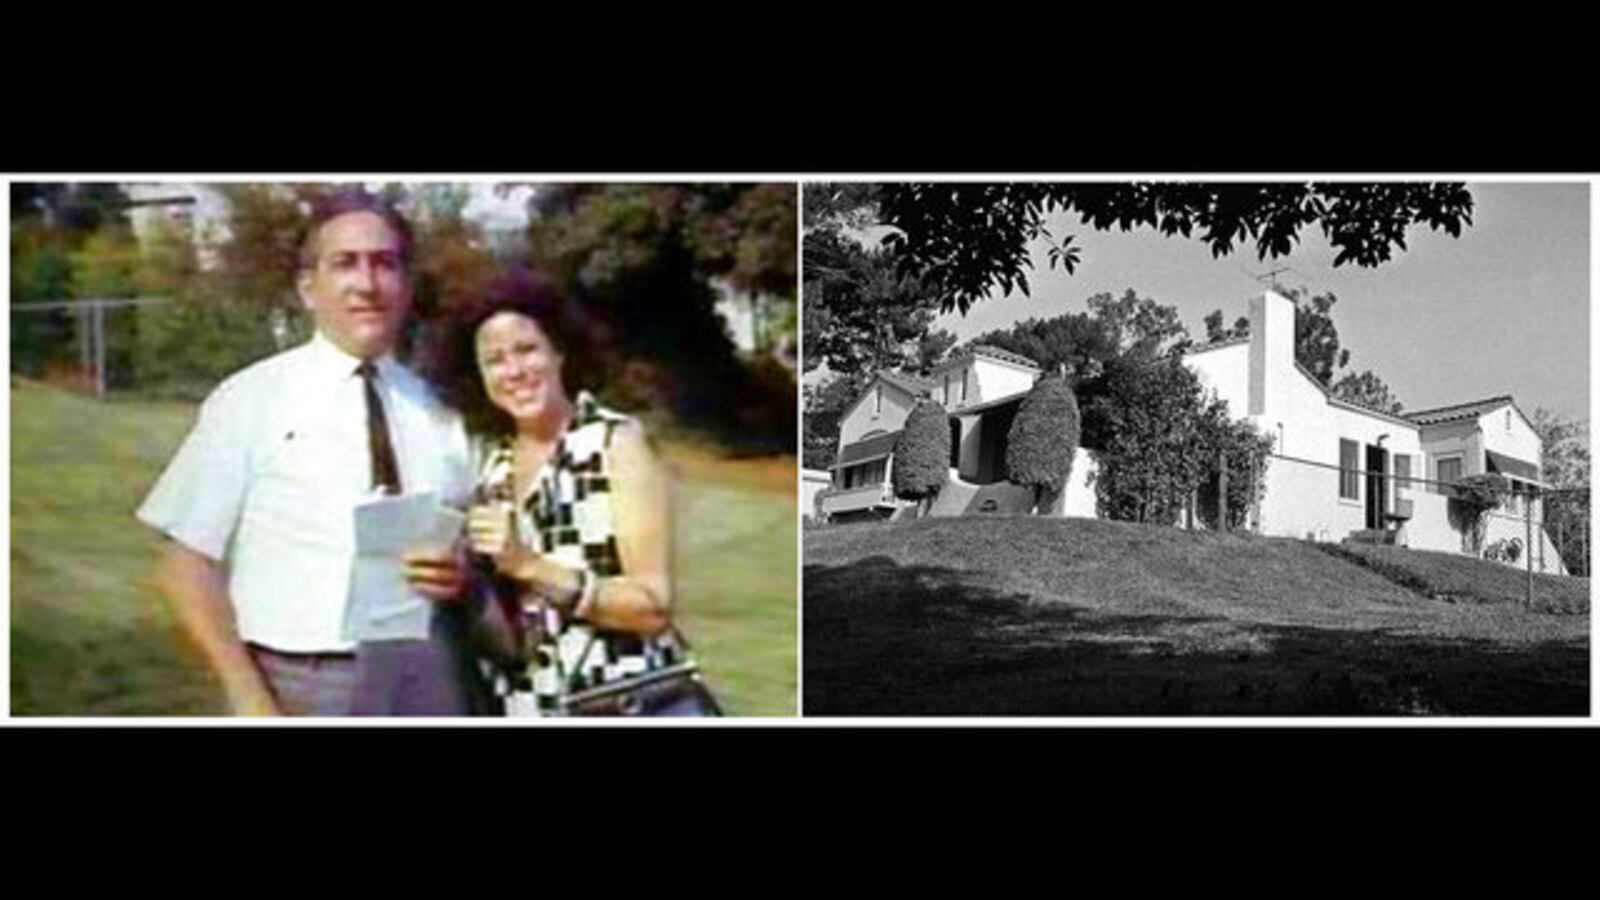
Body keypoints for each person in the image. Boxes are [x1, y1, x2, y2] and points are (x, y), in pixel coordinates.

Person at [137, 189, 481, 716]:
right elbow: (185, 567)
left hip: (427, 676)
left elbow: (473, 547)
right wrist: (250, 698)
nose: (366, 284)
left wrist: (459, 571)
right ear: (308, 287)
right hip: (303, 685)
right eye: (345, 264)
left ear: (406, 286)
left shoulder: (440, 410)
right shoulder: (251, 400)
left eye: (384, 264)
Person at [423, 268, 720, 716]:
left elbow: (651, 606)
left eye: (527, 350)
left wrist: (530, 565)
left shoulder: (614, 443)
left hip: (624, 704)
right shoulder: (491, 471)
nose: (515, 371)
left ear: (559, 352)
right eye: (495, 360)